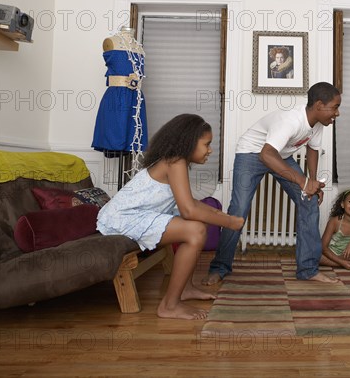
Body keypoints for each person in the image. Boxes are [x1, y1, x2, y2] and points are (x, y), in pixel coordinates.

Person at [96, 114, 245, 320]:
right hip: (123, 218)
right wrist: (230, 222)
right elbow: (189, 210)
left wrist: (221, 215)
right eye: (206, 144)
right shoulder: (175, 161)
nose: (210, 150)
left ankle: (186, 288)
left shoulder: (176, 161)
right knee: (196, 230)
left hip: (141, 214)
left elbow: (191, 204)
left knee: (197, 223)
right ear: (190, 142)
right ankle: (169, 305)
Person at [202, 82, 341, 285]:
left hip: (280, 155)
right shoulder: (290, 120)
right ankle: (220, 267)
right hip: (252, 153)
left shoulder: (318, 123)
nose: (337, 113)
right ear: (319, 105)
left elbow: (313, 149)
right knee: (238, 209)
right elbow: (266, 154)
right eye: (335, 107)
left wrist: (312, 182)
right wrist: (303, 181)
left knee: (309, 201)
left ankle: (308, 269)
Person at [92, 26, 148, 156]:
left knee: (133, 138)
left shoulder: (138, 47)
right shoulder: (110, 42)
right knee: (115, 136)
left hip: (136, 99)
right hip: (116, 98)